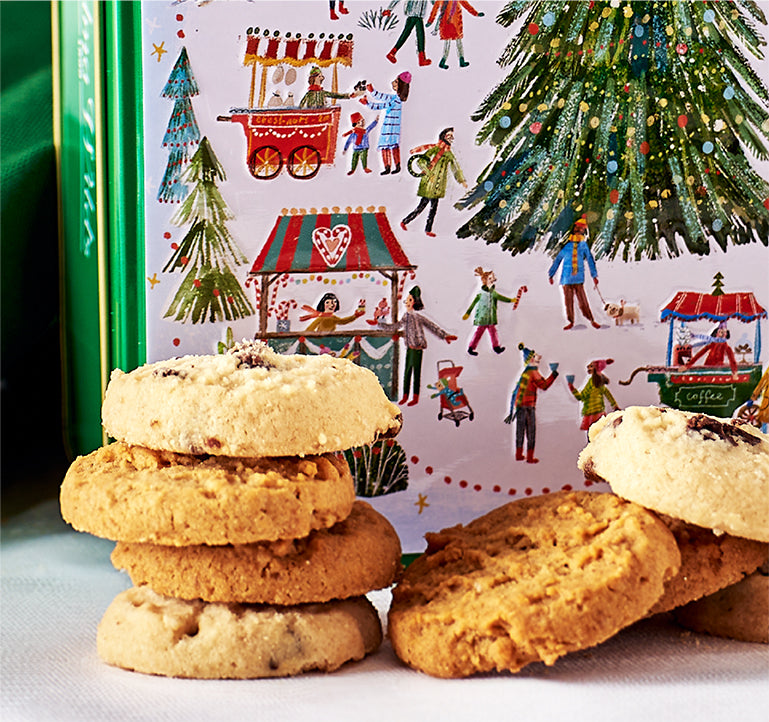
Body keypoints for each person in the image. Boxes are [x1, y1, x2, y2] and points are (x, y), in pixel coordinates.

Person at [378, 286, 457, 406]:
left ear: (415, 302)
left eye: (410, 300)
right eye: (407, 300)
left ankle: (415, 396)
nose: (407, 303)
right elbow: (396, 326)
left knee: (416, 373)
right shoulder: (406, 316)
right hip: (410, 348)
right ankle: (405, 395)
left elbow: (431, 326)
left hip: (418, 349)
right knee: (407, 372)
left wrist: (444, 335)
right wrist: (380, 323)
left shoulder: (417, 317)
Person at [401, 127, 467, 237]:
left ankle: (428, 229)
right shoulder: (434, 149)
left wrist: (461, 180)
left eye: (452, 136)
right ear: (443, 136)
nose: (451, 138)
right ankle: (405, 221)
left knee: (433, 209)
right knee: (421, 206)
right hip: (429, 184)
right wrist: (428, 172)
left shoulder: (449, 154)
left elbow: (455, 167)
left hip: (438, 186)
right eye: (449, 136)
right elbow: (421, 161)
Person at [504, 343, 558, 463]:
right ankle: (529, 457)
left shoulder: (525, 373)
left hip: (519, 406)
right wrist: (553, 374)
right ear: (531, 359)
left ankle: (518, 455)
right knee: (531, 431)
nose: (538, 358)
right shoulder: (533, 372)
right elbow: (543, 386)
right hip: (528, 406)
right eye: (535, 356)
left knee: (520, 430)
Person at [548, 214, 601, 330]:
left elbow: (590, 260)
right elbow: (557, 260)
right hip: (566, 278)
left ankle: (591, 320)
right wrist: (551, 274)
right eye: (578, 229)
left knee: (583, 301)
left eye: (581, 230)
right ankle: (571, 321)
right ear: (574, 229)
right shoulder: (567, 246)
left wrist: (594, 275)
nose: (579, 231)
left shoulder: (583, 246)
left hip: (578, 278)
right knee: (568, 302)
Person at [463, 267, 525, 355]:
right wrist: (468, 313)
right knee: (479, 333)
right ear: (485, 280)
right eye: (490, 278)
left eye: (492, 278)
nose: (493, 280)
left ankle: (496, 347)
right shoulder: (481, 293)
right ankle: (471, 347)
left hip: (491, 318)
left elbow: (501, 297)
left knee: (493, 332)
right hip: (483, 318)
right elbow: (474, 303)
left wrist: (511, 300)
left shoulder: (493, 293)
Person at [360, 71, 411, 175]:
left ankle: (396, 166)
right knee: (388, 147)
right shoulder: (395, 98)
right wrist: (372, 92)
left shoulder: (395, 101)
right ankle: (388, 167)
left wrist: (368, 104)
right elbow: (382, 96)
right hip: (389, 127)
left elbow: (382, 105)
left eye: (396, 82)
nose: (393, 83)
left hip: (390, 128)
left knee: (389, 147)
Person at [567, 358, 619, 435]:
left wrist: (571, 386)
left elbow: (581, 397)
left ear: (596, 368)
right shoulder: (601, 383)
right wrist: (615, 406)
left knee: (592, 436)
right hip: (600, 414)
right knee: (600, 435)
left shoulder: (591, 383)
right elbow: (608, 395)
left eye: (591, 366)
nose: (588, 367)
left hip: (591, 414)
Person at [426, 1, 484, 69]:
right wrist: (430, 21)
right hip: (449, 23)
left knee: (455, 43)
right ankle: (446, 61)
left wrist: (476, 13)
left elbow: (466, 5)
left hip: (453, 23)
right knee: (452, 43)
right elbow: (434, 10)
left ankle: (458, 61)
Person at [383, 1, 432, 66]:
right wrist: (389, 9)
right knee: (417, 34)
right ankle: (421, 58)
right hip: (413, 13)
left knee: (410, 33)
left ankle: (393, 53)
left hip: (418, 14)